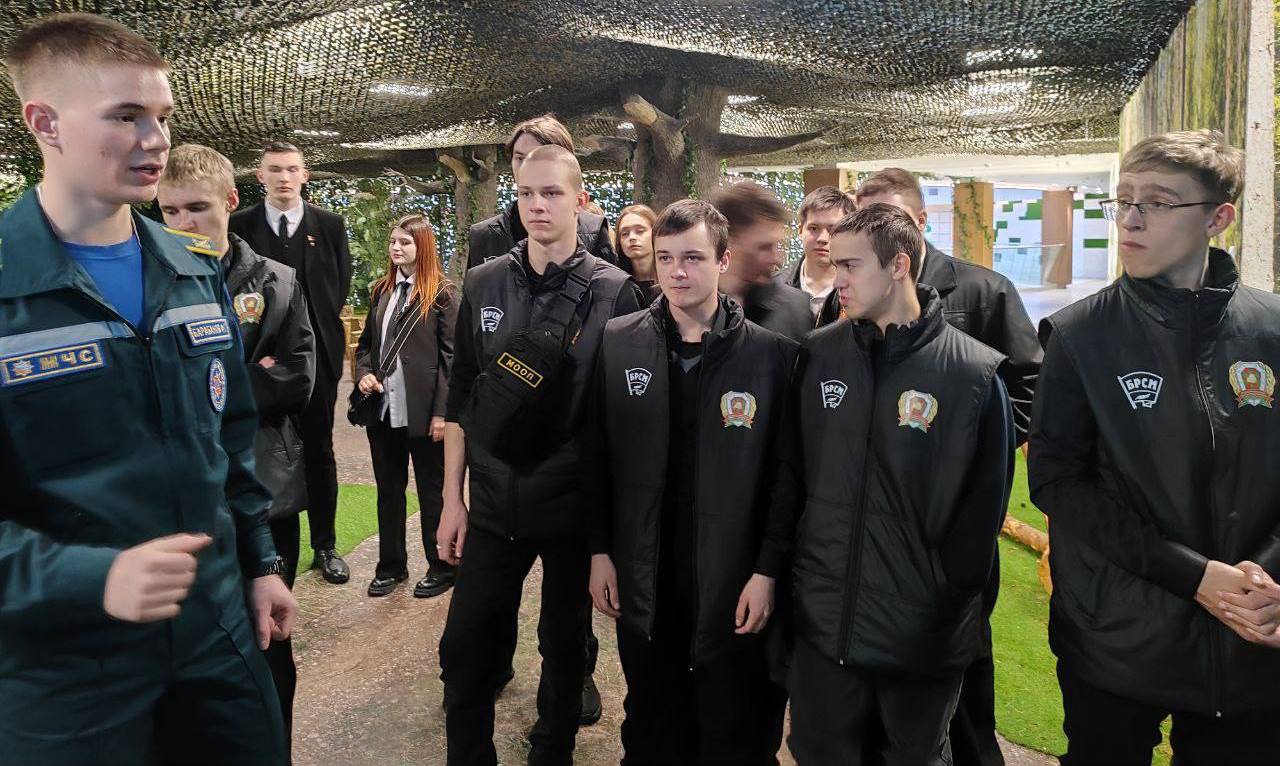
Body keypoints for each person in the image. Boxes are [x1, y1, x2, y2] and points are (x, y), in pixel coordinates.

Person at [0, 14, 295, 764]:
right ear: (45, 123)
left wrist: (259, 563)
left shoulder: (193, 271)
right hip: (65, 667)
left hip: (216, 635)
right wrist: (93, 578)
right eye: (125, 116)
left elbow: (229, 439)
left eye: (161, 116)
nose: (155, 140)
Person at [1028, 129, 1280, 765]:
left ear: (1218, 219)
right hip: (1117, 636)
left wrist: (1266, 579)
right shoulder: (1079, 335)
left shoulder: (1272, 331)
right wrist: (1195, 577)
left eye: (1159, 203)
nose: (1131, 220)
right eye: (1124, 200)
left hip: (1251, 635)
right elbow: (1057, 482)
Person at [781, 204, 1014, 765]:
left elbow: (983, 515)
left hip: (920, 638)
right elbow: (793, 478)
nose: (837, 278)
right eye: (836, 265)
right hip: (825, 625)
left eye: (851, 265)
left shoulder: (974, 373)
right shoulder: (818, 354)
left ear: (899, 266)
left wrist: (942, 599)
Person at [436, 145, 644, 766]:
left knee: (565, 646)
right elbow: (463, 396)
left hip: (572, 507)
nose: (537, 205)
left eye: (551, 193)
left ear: (580, 201)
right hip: (492, 500)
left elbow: (621, 423)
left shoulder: (615, 291)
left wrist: (608, 538)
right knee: (465, 648)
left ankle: (551, 751)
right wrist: (451, 500)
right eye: (526, 193)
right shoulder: (483, 280)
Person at [589, 199, 797, 765]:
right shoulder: (618, 341)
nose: (677, 272)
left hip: (730, 577)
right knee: (652, 721)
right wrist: (600, 550)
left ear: (723, 260)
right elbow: (597, 456)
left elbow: (784, 480)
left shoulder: (772, 357)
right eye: (665, 258)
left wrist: (766, 571)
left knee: (731, 728)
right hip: (645, 569)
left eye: (693, 258)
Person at [854, 167, 1041, 766]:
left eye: (890, 217)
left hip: (955, 518)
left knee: (965, 656)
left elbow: (1029, 386)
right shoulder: (850, 296)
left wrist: (973, 449)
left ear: (919, 221)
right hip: (879, 522)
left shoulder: (982, 291)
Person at [157, 143, 316, 756]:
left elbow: (298, 378)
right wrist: (246, 373)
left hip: (267, 488)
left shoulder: (277, 281)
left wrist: (209, 383)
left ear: (229, 201)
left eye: (196, 208)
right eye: (169, 211)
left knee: (269, 643)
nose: (183, 223)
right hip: (186, 498)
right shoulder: (151, 283)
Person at [229, 141, 353, 586]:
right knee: (261, 452)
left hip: (316, 361)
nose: (284, 177)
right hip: (259, 364)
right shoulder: (239, 225)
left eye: (292, 169)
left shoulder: (330, 225)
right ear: (259, 176)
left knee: (319, 450)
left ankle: (326, 546)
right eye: (275, 169)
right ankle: (267, 551)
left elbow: (338, 285)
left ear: (305, 175)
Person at [352, 214, 458, 599]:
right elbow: (366, 346)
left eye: (405, 242)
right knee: (388, 491)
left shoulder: (443, 294)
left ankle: (443, 566)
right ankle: (391, 566)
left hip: (425, 412)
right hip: (383, 411)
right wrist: (364, 373)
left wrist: (443, 413)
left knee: (433, 492)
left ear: (423, 246)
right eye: (394, 241)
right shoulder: (382, 290)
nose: (396, 248)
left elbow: (452, 358)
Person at [467, 114, 616, 270]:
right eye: (520, 158)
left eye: (538, 156)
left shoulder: (593, 230)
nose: (527, 166)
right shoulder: (484, 235)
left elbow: (608, 282)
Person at [708, 180, 813, 341]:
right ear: (728, 242)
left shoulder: (796, 309)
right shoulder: (686, 306)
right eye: (764, 247)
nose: (777, 259)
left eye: (778, 245)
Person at [776, 185, 854, 322]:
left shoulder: (861, 292)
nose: (822, 239)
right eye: (813, 228)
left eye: (833, 230)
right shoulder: (773, 288)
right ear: (800, 230)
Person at [615, 203, 659, 305]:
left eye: (640, 231)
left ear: (655, 233)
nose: (632, 237)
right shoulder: (616, 286)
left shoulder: (671, 281)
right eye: (625, 234)